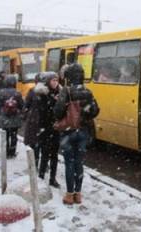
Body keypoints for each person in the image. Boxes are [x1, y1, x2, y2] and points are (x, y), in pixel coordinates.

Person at [54, 63, 99, 205]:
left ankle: (69, 195)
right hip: (83, 132)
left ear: (68, 76)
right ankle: (78, 194)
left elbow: (58, 112)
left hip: (68, 132)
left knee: (69, 163)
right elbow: (95, 111)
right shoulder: (88, 92)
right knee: (79, 162)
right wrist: (84, 114)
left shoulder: (66, 92)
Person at [35, 72, 61, 188]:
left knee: (55, 155)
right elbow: (42, 111)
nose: (55, 82)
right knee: (45, 154)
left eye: (57, 80)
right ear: (48, 82)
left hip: (55, 128)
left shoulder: (60, 93)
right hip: (45, 129)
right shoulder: (42, 94)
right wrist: (53, 101)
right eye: (53, 80)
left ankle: (52, 178)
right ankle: (41, 177)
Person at [0, 75, 24, 158]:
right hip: (15, 118)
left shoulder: (1, 92)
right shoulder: (17, 93)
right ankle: (12, 152)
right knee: (14, 136)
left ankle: (6, 152)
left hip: (4, 117)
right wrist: (21, 113)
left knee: (6, 136)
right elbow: (22, 105)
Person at [24, 73, 41, 168]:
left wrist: (26, 116)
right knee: (41, 143)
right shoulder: (48, 91)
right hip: (43, 121)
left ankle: (35, 162)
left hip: (33, 120)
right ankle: (41, 163)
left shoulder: (32, 91)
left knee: (34, 143)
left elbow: (26, 105)